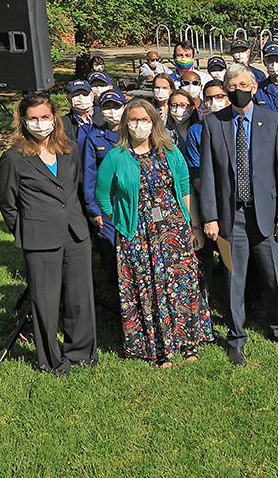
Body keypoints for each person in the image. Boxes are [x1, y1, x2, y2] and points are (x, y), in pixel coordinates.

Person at [93, 98, 212, 365]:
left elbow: (184, 188)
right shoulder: (115, 157)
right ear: (126, 123)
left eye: (145, 120)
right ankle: (157, 347)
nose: (139, 125)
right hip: (137, 233)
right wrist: (121, 221)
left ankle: (187, 341)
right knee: (149, 290)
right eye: (134, 120)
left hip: (173, 229)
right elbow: (102, 196)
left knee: (181, 285)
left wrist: (193, 226)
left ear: (154, 123)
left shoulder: (170, 151)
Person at [199, 64, 278, 366]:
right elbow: (208, 175)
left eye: (244, 84)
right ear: (227, 89)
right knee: (234, 278)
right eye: (233, 85)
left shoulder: (274, 121)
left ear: (254, 86)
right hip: (232, 217)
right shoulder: (213, 124)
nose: (239, 89)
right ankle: (236, 338)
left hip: (267, 214)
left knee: (273, 278)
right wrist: (210, 217)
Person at [0, 93, 97, 375]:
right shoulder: (13, 158)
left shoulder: (69, 149)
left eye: (45, 117)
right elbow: (8, 204)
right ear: (23, 121)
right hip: (39, 237)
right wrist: (27, 231)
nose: (40, 123)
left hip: (76, 233)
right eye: (33, 118)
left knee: (80, 298)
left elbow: (76, 187)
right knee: (46, 301)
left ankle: (82, 352)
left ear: (55, 118)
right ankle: (51, 360)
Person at [83, 89, 127, 285]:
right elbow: (89, 175)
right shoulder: (95, 137)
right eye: (106, 107)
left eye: (116, 107)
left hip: (130, 200)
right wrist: (93, 208)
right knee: (110, 249)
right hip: (107, 204)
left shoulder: (133, 133)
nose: (111, 112)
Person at [62, 79, 103, 149]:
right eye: (76, 95)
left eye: (85, 94)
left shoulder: (104, 116)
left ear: (92, 95)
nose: (81, 98)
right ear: (69, 98)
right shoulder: (63, 123)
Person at [165, 89, 199, 167]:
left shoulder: (200, 130)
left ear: (192, 107)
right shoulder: (165, 132)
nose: (178, 109)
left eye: (183, 105)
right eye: (174, 105)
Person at [256, 41, 278, 111]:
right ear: (264, 62)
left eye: (277, 60)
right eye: (270, 60)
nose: (274, 64)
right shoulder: (259, 90)